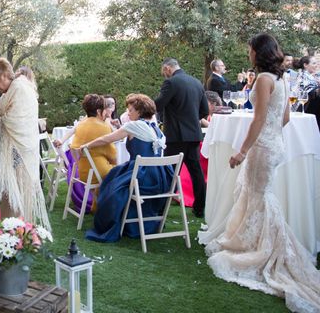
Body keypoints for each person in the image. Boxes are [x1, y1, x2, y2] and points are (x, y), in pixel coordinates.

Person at [205, 33, 320, 311]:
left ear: (258, 52)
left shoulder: (263, 80)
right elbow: (286, 117)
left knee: (259, 197)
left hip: (262, 148)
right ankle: (256, 242)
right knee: (257, 195)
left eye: (250, 49)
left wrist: (241, 151)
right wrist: (270, 135)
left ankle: (267, 249)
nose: (248, 54)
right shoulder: (281, 79)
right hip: (275, 144)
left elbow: (257, 120)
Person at [82, 94, 173, 242]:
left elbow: (107, 139)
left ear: (140, 111)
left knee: (110, 185)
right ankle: (139, 223)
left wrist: (87, 145)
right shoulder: (156, 129)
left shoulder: (133, 126)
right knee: (117, 178)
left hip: (142, 176)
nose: (128, 113)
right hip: (162, 178)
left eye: (130, 110)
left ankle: (116, 223)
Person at [0, 58, 50, 230]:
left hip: (18, 151)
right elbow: (4, 111)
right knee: (9, 191)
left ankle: (17, 231)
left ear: (5, 75)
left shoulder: (20, 88)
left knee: (16, 191)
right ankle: (11, 230)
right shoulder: (14, 88)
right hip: (15, 150)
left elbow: (16, 121)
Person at [155, 58, 209, 218]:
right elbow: (204, 110)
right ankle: (200, 208)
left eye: (163, 71)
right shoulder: (197, 83)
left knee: (168, 171)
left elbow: (158, 105)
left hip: (175, 136)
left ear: (167, 68)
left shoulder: (171, 83)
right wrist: (191, 121)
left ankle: (160, 209)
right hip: (193, 135)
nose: (164, 75)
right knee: (196, 172)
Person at [68, 94, 117, 212]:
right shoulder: (103, 127)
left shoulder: (81, 125)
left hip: (83, 171)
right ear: (99, 110)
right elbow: (113, 156)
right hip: (97, 172)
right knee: (122, 172)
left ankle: (98, 206)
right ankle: (112, 210)